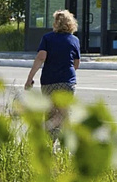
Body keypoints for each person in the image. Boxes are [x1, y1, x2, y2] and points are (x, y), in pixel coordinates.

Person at [25, 9, 81, 138]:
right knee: (64, 114)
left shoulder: (47, 38)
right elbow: (76, 64)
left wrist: (30, 78)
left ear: (56, 23)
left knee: (50, 115)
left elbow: (41, 58)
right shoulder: (74, 40)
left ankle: (49, 147)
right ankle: (66, 150)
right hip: (67, 82)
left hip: (49, 82)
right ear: (71, 23)